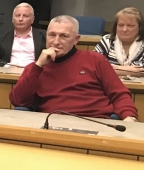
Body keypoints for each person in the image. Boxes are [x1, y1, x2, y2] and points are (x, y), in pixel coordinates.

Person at [10, 15, 138, 121]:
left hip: (96, 121)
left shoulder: (95, 60)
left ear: (76, 39)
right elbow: (18, 101)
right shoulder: (35, 68)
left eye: (64, 36)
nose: (56, 41)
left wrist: (129, 117)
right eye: (52, 35)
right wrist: (38, 66)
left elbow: (119, 94)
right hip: (53, 123)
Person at [0, 2, 45, 67]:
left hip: (34, 72)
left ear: (32, 19)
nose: (20, 19)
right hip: (8, 72)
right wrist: (7, 66)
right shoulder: (2, 37)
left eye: (25, 16)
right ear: (12, 19)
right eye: (17, 15)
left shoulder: (44, 36)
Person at [94, 7, 144, 75]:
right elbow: (93, 65)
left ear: (140, 28)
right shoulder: (107, 40)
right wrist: (131, 70)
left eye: (130, 26)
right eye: (121, 25)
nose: (124, 29)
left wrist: (110, 68)